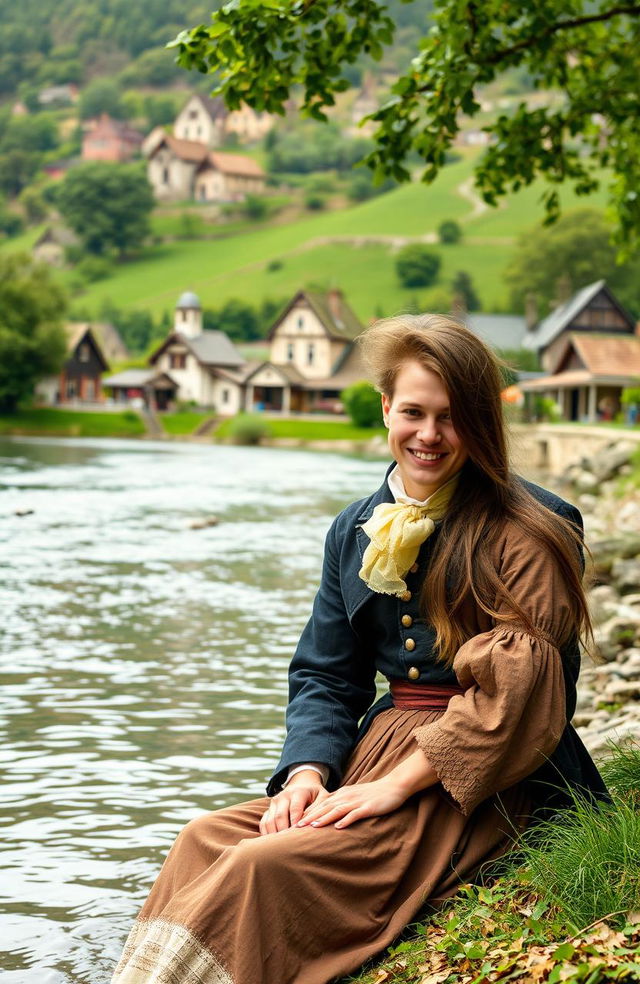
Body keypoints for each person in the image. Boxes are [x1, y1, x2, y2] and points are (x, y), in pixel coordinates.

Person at [112, 315, 607, 984]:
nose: (428, 435)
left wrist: (392, 788)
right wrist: (308, 774)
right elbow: (326, 673)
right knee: (204, 838)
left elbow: (521, 696)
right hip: (377, 754)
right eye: (413, 412)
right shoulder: (353, 527)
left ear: (483, 421)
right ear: (385, 408)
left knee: (264, 867)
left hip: (489, 775)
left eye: (451, 417)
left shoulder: (533, 525)